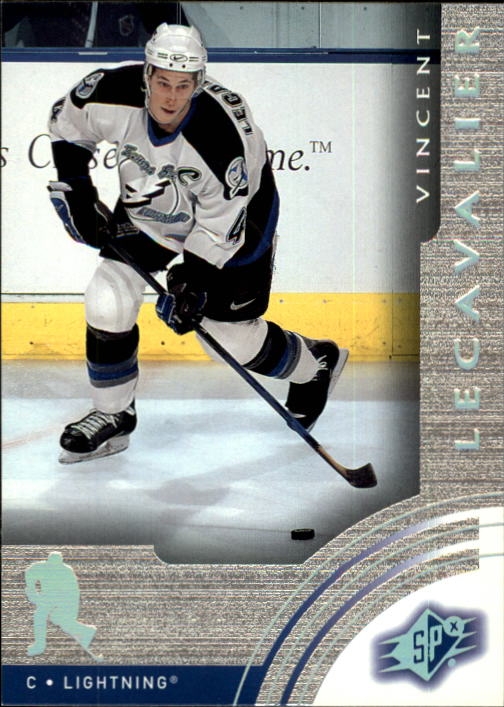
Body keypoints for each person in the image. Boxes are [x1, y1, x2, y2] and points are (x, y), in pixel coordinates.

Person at [48, 23, 348, 464]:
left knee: (223, 337)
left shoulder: (221, 142)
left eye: (183, 86)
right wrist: (75, 187)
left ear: (198, 83)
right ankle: (113, 414)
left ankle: (315, 363)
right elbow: (67, 122)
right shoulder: (112, 92)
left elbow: (219, 228)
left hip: (240, 218)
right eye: (163, 82)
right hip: (154, 203)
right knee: (107, 298)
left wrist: (192, 282)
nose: (171, 97)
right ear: (147, 74)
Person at [25, 551, 97, 657]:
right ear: (48, 562)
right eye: (52, 565)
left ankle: (87, 631)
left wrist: (69, 614)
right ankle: (39, 645)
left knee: (60, 620)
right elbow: (29, 575)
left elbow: (73, 594)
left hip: (64, 598)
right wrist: (33, 593)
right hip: (47, 597)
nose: (54, 568)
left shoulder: (67, 572)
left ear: (61, 563)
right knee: (39, 616)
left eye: (57, 565)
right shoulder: (39, 568)